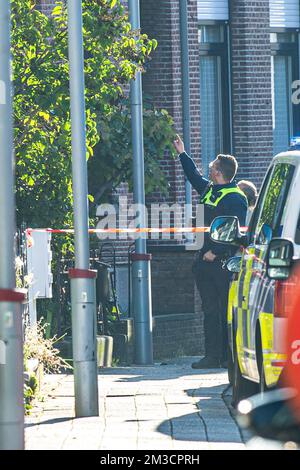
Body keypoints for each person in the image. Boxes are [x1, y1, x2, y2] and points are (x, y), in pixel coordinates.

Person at [173, 134, 248, 368]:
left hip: (223, 262)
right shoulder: (210, 190)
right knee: (210, 310)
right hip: (204, 261)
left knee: (226, 310)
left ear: (219, 172)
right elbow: (193, 176)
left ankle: (228, 357)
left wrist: (216, 251)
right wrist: (182, 153)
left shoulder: (236, 197)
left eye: (213, 165)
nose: (210, 167)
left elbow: (235, 231)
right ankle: (212, 356)